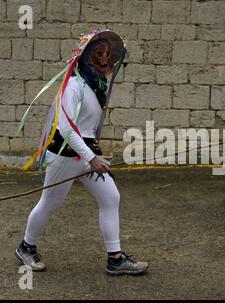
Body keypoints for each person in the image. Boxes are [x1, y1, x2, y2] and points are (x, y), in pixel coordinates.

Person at [15, 29, 148, 276]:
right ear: (87, 55)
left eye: (108, 54)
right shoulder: (74, 85)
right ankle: (26, 246)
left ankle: (115, 259)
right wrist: (90, 158)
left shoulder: (97, 87)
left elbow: (87, 128)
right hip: (65, 154)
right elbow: (65, 128)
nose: (104, 58)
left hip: (88, 155)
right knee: (50, 203)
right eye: (99, 53)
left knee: (111, 198)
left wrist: (94, 153)